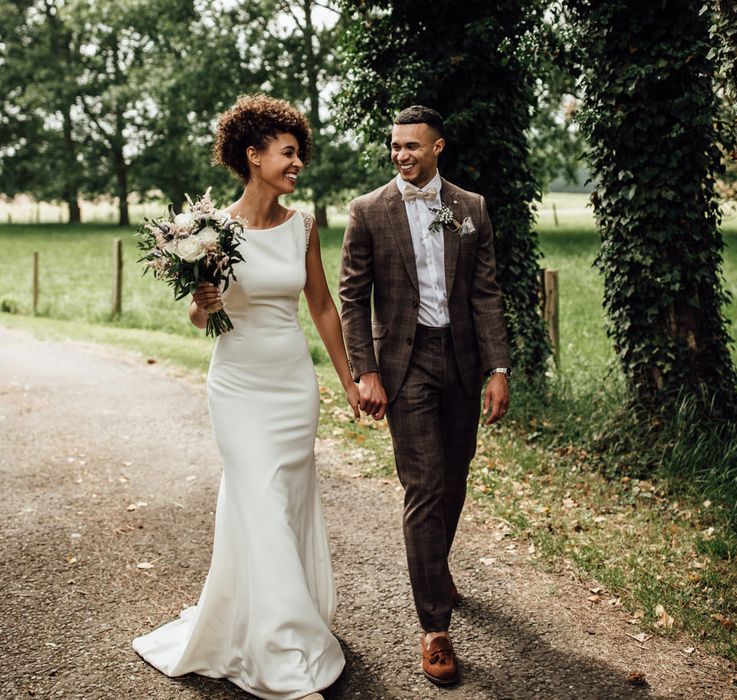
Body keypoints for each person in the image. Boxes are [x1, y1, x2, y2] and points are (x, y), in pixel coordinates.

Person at [132, 94, 358, 700]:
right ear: (253, 156)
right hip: (236, 386)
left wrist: (348, 379)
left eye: (298, 154)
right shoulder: (209, 234)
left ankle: (278, 621)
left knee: (280, 504)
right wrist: (200, 305)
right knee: (255, 498)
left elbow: (321, 306)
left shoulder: (304, 225)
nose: (296, 165)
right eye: (287, 154)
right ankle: (284, 653)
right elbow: (200, 320)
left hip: (291, 386)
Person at [339, 105, 510, 686]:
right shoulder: (368, 212)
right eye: (395, 147)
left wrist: (498, 367)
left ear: (438, 147)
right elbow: (352, 297)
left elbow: (486, 293)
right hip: (404, 364)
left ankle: (433, 567)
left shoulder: (472, 209)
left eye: (413, 146)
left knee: (456, 477)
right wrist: (366, 371)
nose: (401, 155)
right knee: (425, 485)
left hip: (462, 360)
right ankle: (434, 626)